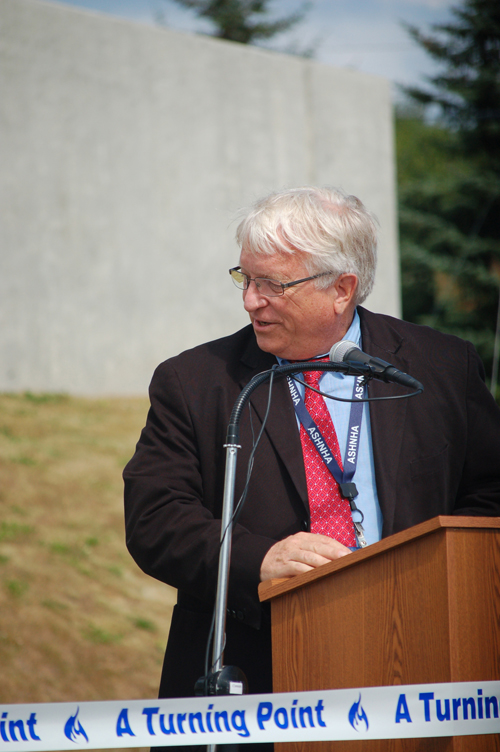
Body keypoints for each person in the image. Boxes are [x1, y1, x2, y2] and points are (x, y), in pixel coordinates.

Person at [123, 186, 500, 706]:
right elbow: (154, 518)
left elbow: (489, 497)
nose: (250, 299)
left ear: (342, 289)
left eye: (272, 284)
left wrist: (432, 581)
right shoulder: (197, 381)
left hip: (420, 656)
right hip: (257, 668)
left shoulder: (440, 368)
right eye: (246, 278)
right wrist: (258, 559)